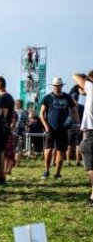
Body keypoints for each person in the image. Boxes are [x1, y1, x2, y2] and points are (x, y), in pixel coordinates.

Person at [39, 77, 79, 180]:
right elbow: (41, 114)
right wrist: (46, 126)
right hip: (51, 128)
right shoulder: (47, 98)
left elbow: (74, 110)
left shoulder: (67, 97)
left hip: (63, 129)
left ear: (62, 86)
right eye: (55, 85)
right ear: (52, 86)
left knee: (61, 151)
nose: (56, 87)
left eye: (58, 85)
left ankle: (58, 174)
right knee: (48, 150)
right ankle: (46, 170)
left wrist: (77, 123)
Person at [72, 73, 93, 206]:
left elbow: (76, 76)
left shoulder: (91, 86)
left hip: (90, 133)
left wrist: (88, 81)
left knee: (91, 168)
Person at [0, 76, 16, 180]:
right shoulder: (9, 97)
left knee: (0, 153)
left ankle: (0, 175)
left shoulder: (3, 98)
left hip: (1, 129)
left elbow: (3, 114)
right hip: (5, 128)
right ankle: (1, 175)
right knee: (1, 152)